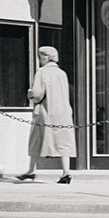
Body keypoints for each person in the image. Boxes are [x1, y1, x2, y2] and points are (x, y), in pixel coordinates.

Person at [17, 46, 76, 184]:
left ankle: (31, 170)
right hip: (63, 112)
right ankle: (66, 172)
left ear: (45, 57)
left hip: (46, 112)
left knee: (36, 140)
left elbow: (37, 94)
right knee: (63, 142)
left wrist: (30, 93)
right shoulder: (62, 73)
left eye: (40, 57)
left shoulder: (42, 72)